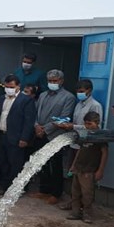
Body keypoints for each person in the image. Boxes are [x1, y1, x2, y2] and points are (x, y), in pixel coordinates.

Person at [55, 79, 103, 210]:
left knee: (85, 179)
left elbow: (93, 127)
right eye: (78, 91)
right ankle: (74, 202)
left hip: (87, 147)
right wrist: (66, 124)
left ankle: (84, 206)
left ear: (89, 91)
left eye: (82, 91)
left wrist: (73, 126)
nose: (79, 94)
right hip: (76, 144)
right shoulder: (78, 104)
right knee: (74, 175)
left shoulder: (95, 105)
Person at [32, 69, 76, 205]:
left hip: (55, 135)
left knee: (55, 165)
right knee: (41, 163)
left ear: (61, 81)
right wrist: (36, 126)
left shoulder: (68, 97)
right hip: (39, 133)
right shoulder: (43, 95)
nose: (52, 83)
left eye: (55, 81)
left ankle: (56, 193)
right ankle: (44, 189)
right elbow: (35, 112)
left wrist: (45, 129)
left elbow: (64, 117)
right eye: (50, 81)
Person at [0, 74, 36, 196]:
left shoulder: (26, 100)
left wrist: (24, 138)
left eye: (11, 86)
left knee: (16, 164)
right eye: (6, 86)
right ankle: (3, 186)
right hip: (2, 135)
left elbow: (29, 121)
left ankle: (15, 189)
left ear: (18, 86)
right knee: (3, 163)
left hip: (17, 138)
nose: (9, 89)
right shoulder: (2, 98)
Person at [66, 111, 108, 224]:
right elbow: (80, 150)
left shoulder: (100, 136)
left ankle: (87, 214)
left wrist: (100, 170)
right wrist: (73, 165)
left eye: (90, 124)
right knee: (75, 192)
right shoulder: (84, 134)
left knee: (87, 194)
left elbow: (104, 153)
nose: (87, 126)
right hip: (79, 168)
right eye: (86, 124)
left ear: (97, 123)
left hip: (89, 170)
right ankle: (75, 212)